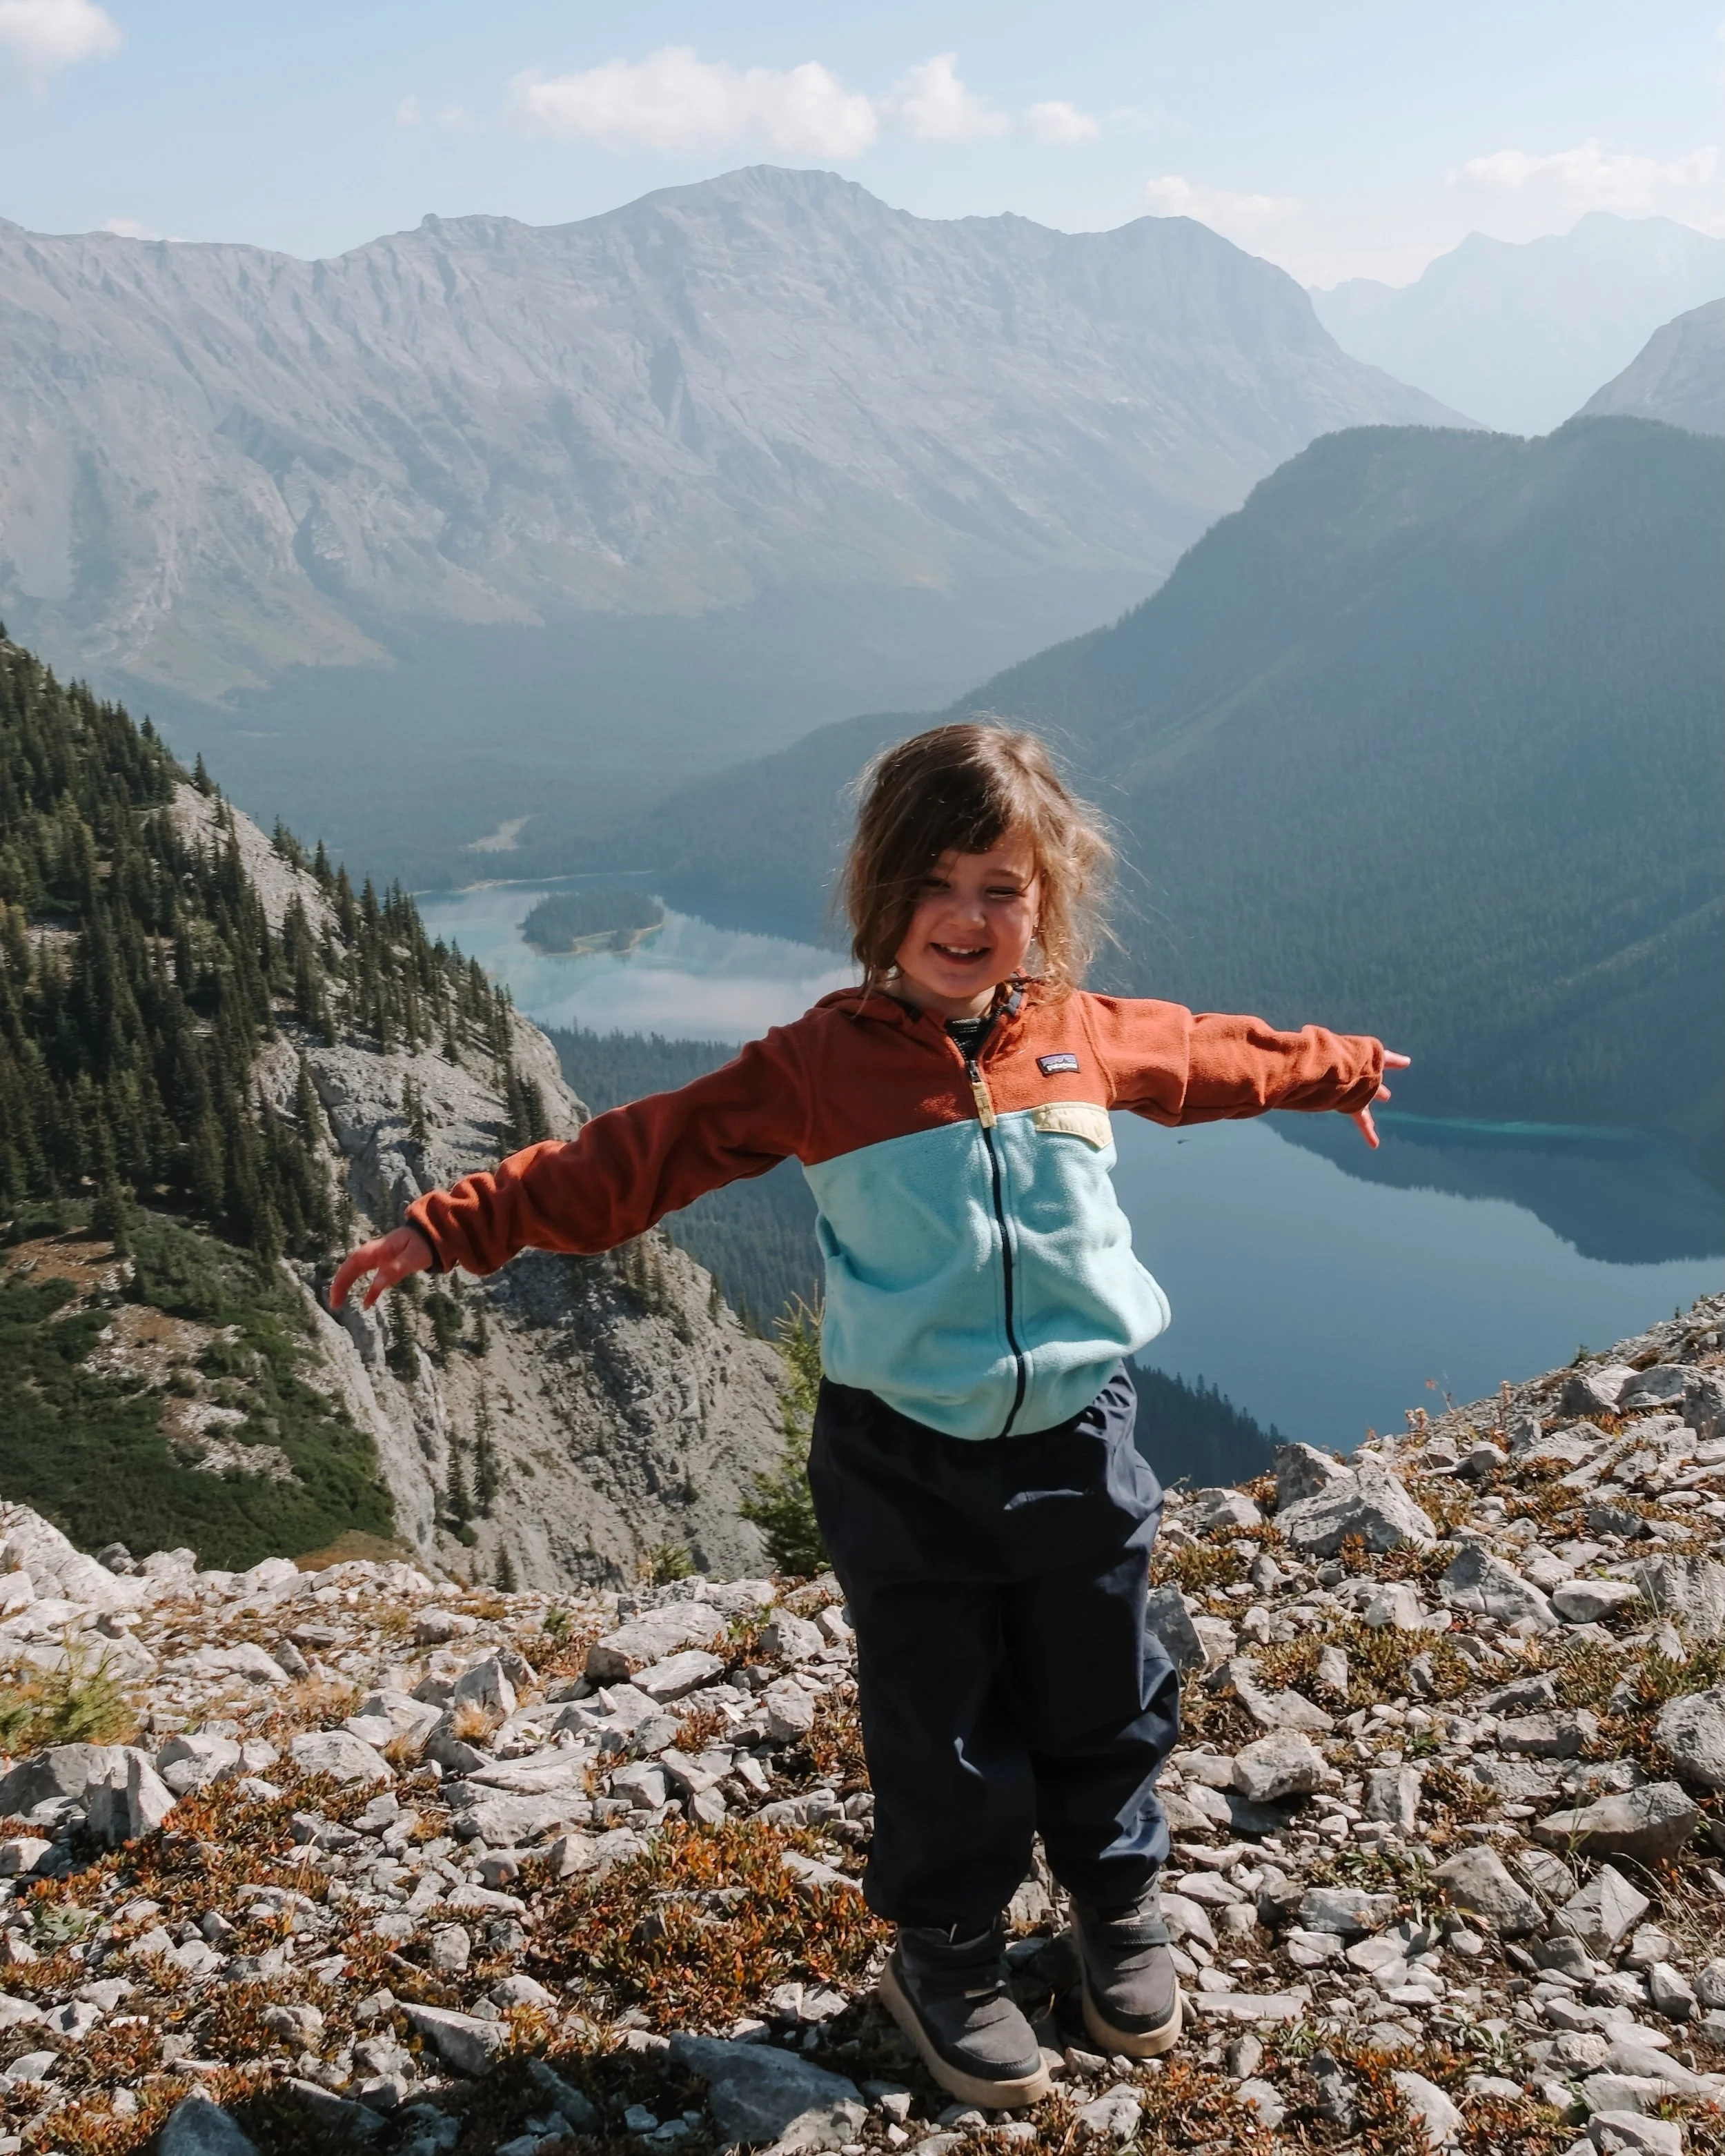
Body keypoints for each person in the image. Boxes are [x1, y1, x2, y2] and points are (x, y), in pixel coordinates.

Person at [331, 722, 1408, 2109]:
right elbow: (634, 1157)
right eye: (937, 883)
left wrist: (1333, 1066)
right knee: (939, 1716)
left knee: (1107, 1684)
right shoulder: (815, 1064)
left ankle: (1114, 1908)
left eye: (1002, 888)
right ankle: (947, 1955)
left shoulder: (1076, 1032)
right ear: (879, 894)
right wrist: (453, 1223)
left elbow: (1207, 1055)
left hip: (1080, 1430)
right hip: (901, 1457)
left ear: (1048, 900)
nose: (967, 917)